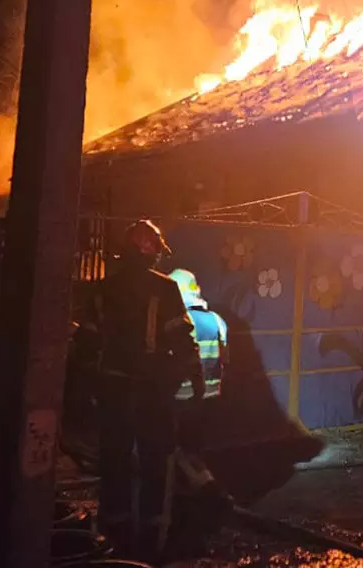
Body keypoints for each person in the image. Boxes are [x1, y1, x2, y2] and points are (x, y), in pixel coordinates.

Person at [91, 219, 215, 558]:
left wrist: (87, 384)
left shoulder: (103, 289)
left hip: (113, 387)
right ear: (150, 250)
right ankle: (152, 533)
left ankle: (113, 530)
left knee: (114, 456)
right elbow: (180, 335)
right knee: (155, 459)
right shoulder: (164, 289)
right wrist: (196, 375)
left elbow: (88, 340)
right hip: (151, 390)